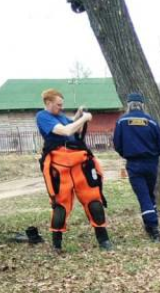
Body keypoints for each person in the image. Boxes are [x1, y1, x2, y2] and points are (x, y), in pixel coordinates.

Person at [36, 88, 111, 251]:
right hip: (59, 165)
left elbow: (72, 126)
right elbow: (65, 130)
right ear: (48, 103)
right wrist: (83, 118)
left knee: (93, 200)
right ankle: (57, 244)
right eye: (58, 105)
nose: (61, 107)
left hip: (79, 162)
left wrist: (78, 116)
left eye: (62, 104)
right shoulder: (43, 117)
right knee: (60, 205)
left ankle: (104, 240)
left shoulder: (60, 116)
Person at [113, 92, 160, 242]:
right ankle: (151, 225)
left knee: (144, 197)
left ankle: (153, 228)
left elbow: (117, 144)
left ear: (128, 105)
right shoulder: (152, 122)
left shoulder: (121, 122)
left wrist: (127, 154)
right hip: (151, 164)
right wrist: (152, 154)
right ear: (142, 105)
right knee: (149, 195)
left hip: (134, 164)